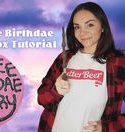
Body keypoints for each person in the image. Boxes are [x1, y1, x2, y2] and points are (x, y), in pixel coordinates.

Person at [37, 2, 125, 132]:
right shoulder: (64, 58)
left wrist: (106, 128)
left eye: (90, 24)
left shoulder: (118, 63)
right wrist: (56, 90)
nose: (82, 32)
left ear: (102, 27)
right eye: (77, 27)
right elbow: (41, 98)